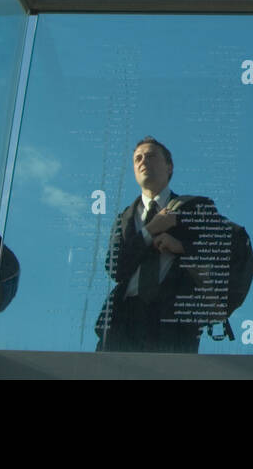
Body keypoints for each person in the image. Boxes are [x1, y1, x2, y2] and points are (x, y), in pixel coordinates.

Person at [95, 136, 230, 353]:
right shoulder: (124, 218)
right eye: (137, 158)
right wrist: (151, 230)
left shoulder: (196, 207)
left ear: (169, 166)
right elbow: (115, 268)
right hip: (124, 320)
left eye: (151, 156)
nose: (143, 161)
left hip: (174, 318)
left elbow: (221, 250)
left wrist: (182, 247)